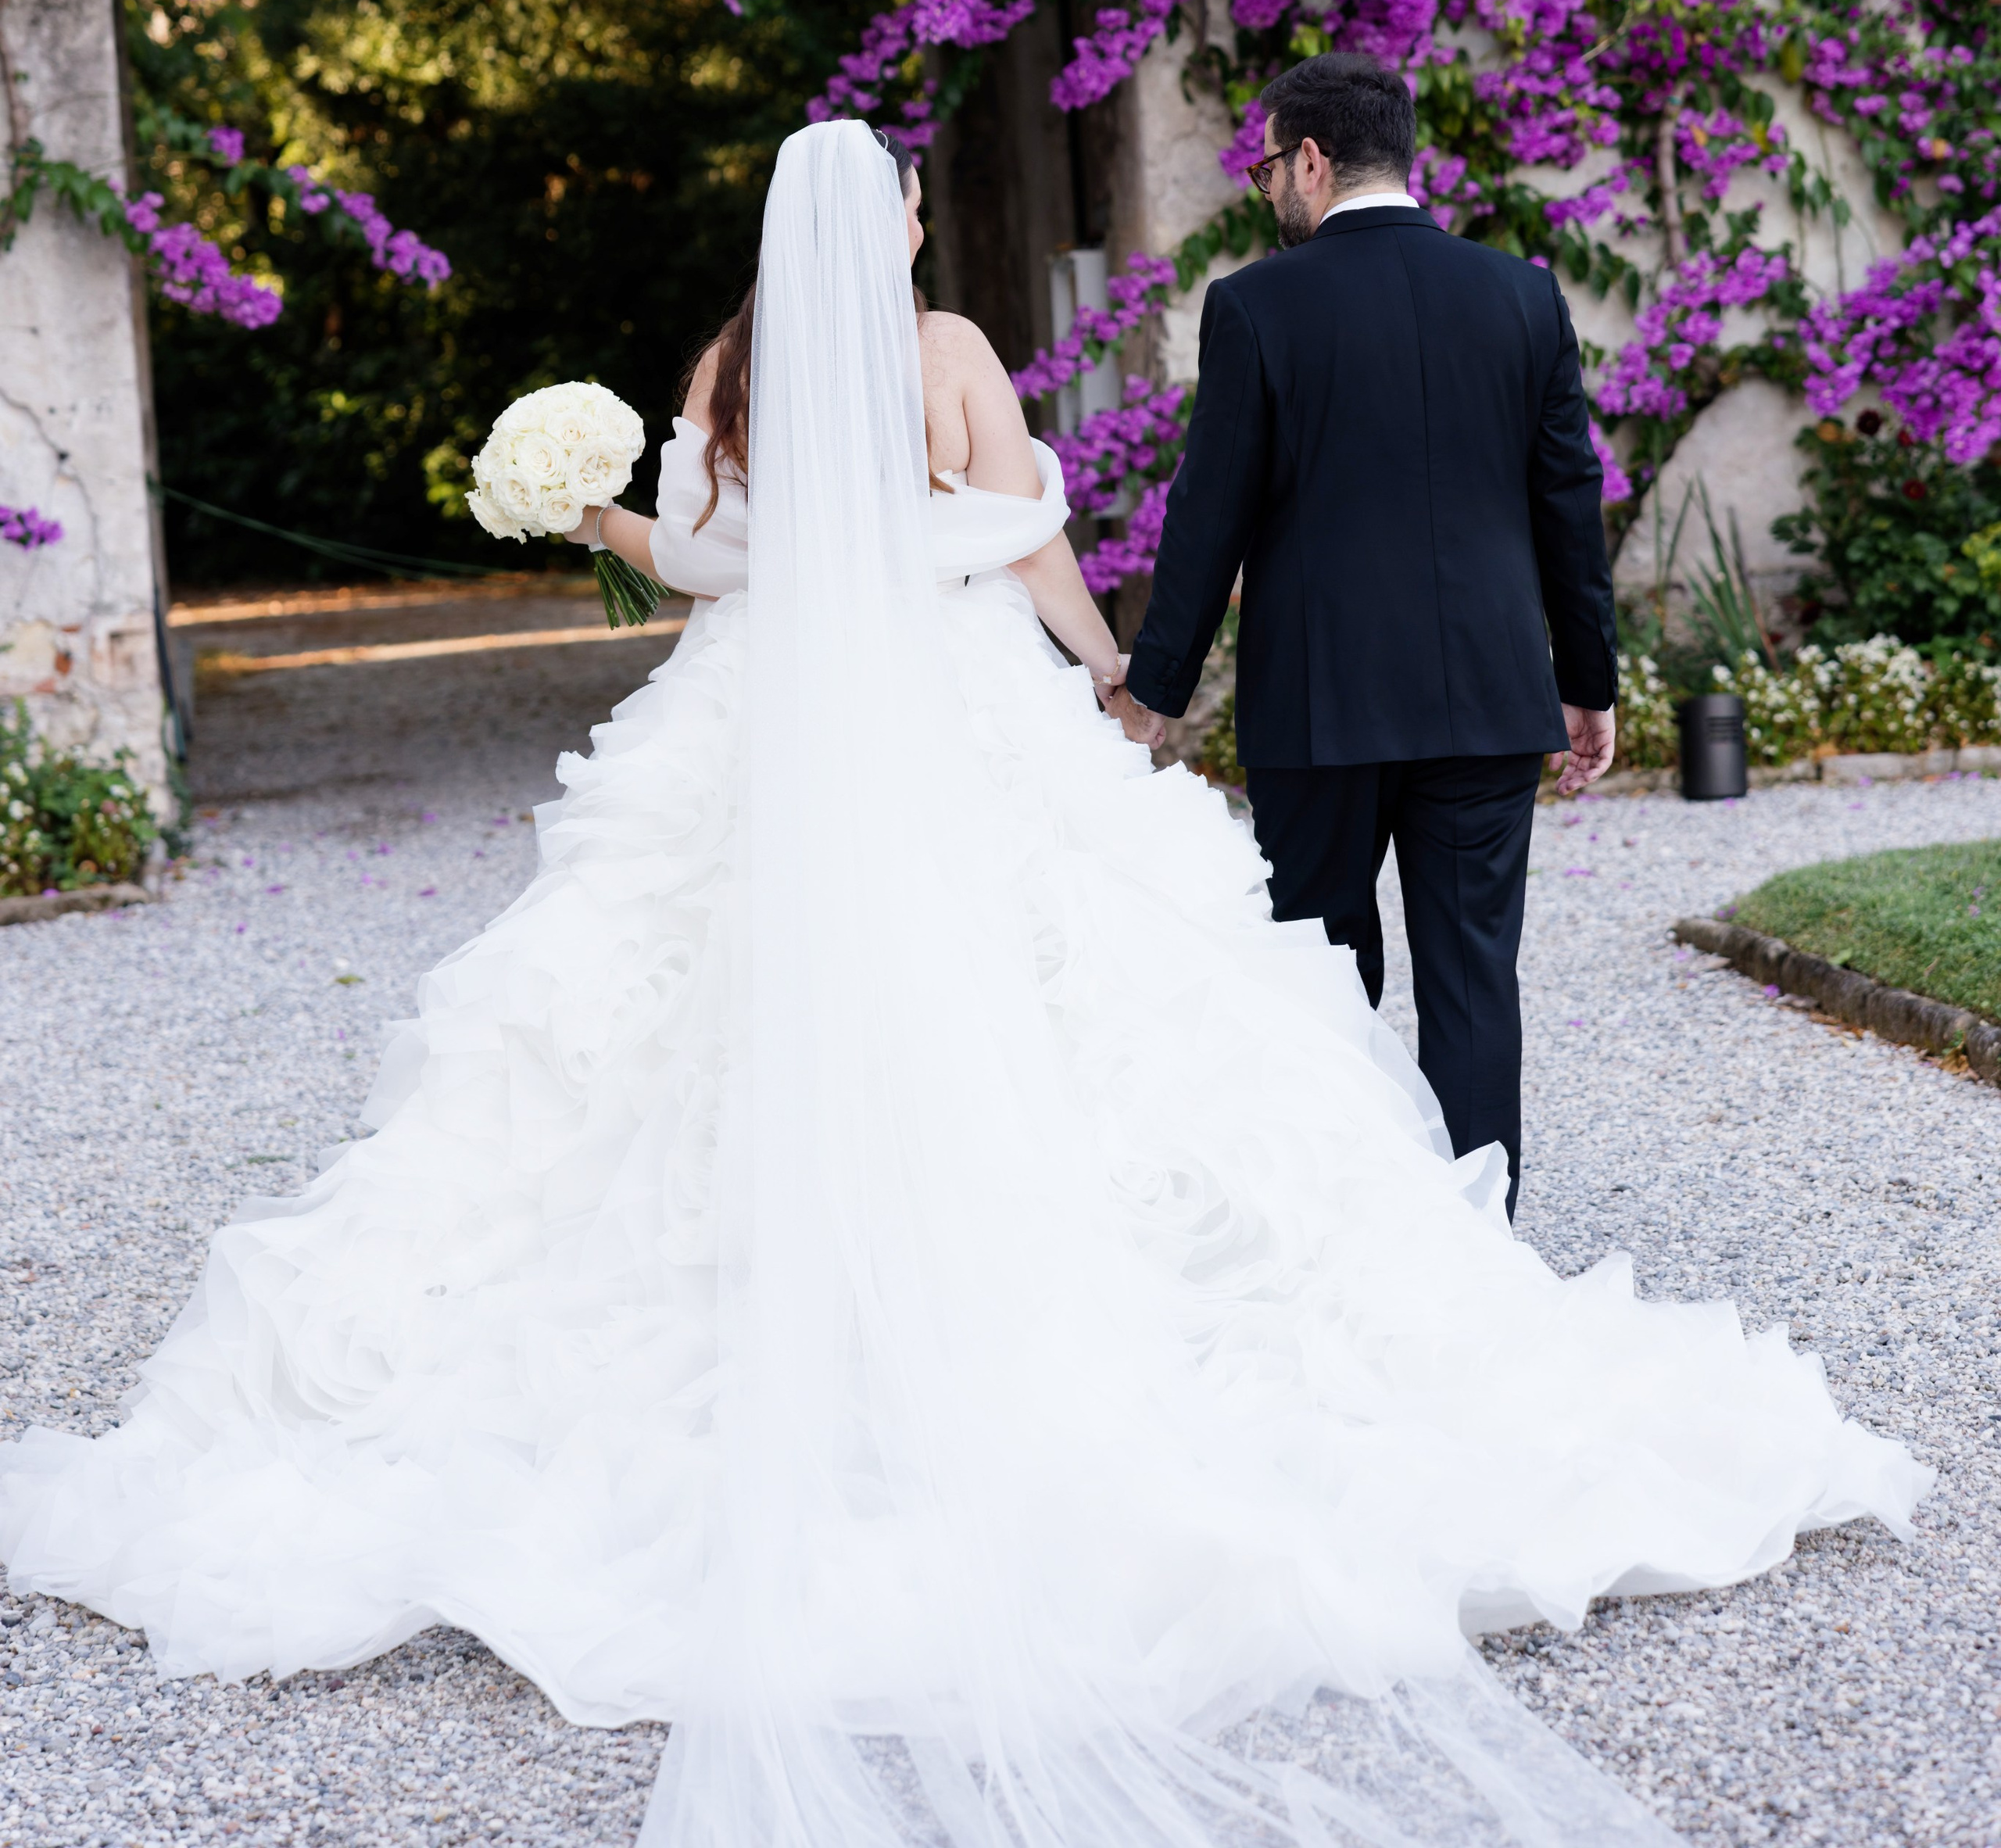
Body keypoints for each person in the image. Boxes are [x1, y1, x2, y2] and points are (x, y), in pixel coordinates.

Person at [0, 121, 1924, 1848]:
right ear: (904, 220)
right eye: (918, 194)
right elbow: (1023, 542)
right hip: (959, 722)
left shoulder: (723, 370)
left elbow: (704, 566)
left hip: (760, 741)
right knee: (1094, 1012)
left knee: (658, 1038)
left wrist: (582, 512)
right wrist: (1118, 686)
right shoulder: (945, 357)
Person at [1122, 52, 1615, 1218]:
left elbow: (1210, 515)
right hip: (1491, 701)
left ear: (1310, 158)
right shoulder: (1522, 294)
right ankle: (1481, 1246)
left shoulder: (1256, 305)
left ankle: (1355, 1236)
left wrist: (1156, 689)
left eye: (1266, 168)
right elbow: (1568, 501)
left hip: (1320, 707)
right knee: (1474, 985)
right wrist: (1586, 682)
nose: (1265, 192)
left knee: (1325, 981)